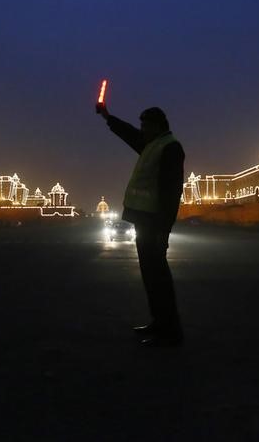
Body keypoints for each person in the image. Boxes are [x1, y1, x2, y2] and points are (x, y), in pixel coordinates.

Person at [96, 100, 185, 347]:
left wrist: (163, 231)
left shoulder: (170, 148)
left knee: (159, 278)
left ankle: (170, 332)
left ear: (158, 125)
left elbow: (171, 192)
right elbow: (129, 134)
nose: (142, 129)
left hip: (154, 223)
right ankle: (159, 322)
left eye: (146, 125)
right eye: (141, 125)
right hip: (143, 220)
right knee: (150, 276)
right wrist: (107, 117)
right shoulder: (152, 143)